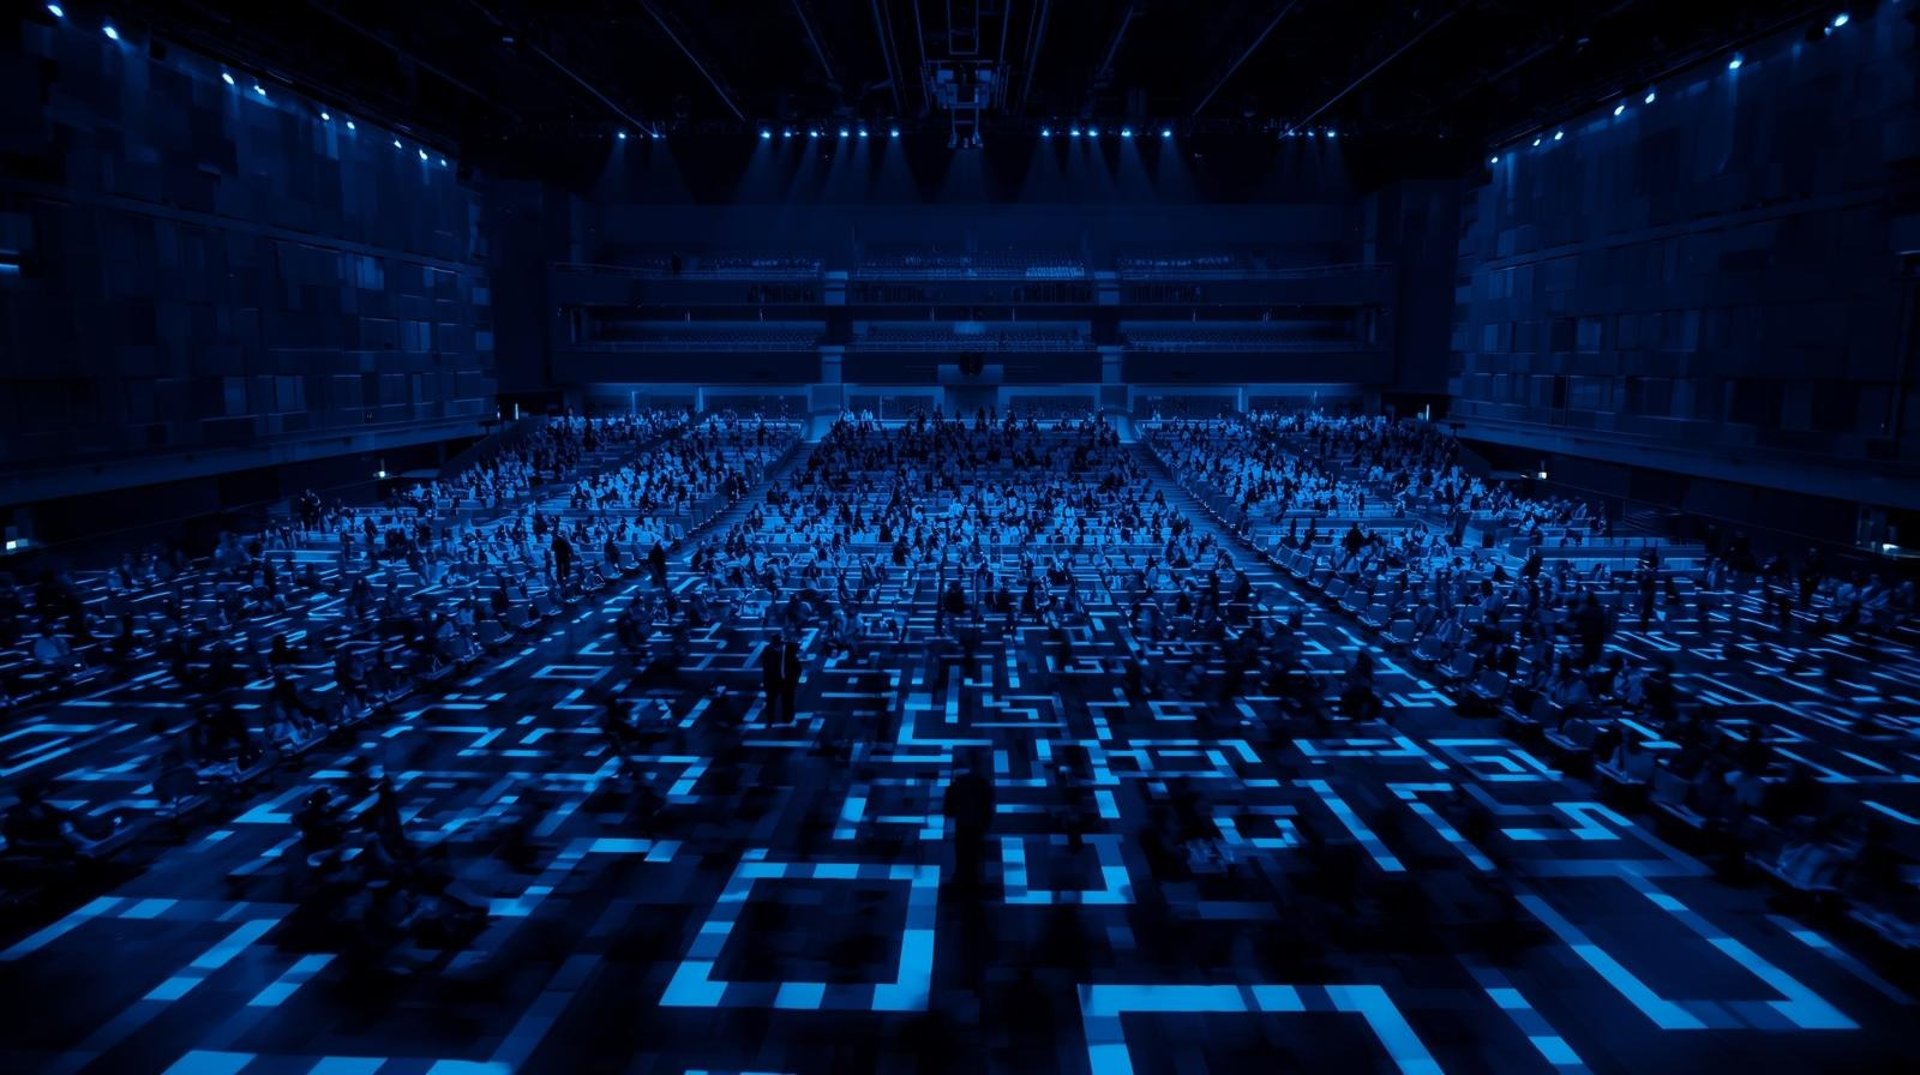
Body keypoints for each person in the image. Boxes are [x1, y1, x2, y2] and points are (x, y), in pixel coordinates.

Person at [760, 632, 801, 724]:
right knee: (770, 701)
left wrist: (794, 679)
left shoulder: (789, 650)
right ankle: (770, 719)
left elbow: (797, 666)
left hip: (787, 681)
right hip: (772, 682)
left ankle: (787, 718)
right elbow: (765, 666)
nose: (777, 648)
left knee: (788, 700)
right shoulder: (767, 650)